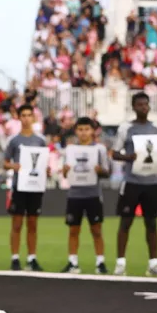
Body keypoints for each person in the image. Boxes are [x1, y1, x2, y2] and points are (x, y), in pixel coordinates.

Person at [110, 92, 157, 276]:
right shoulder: (126, 128)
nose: (144, 107)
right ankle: (120, 264)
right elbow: (114, 153)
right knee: (125, 222)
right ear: (134, 107)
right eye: (140, 105)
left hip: (151, 182)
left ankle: (153, 264)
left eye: (146, 104)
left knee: (151, 223)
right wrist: (129, 157)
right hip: (132, 182)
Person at [61, 117, 110, 274]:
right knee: (73, 230)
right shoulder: (70, 150)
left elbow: (107, 172)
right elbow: (64, 173)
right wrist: (66, 170)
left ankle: (100, 262)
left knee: (96, 230)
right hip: (75, 194)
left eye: (87, 129)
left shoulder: (100, 149)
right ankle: (72, 262)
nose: (83, 133)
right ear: (76, 131)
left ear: (92, 131)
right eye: (80, 129)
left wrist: (100, 170)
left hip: (93, 194)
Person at [3, 104, 49, 271]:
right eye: (24, 115)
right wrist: (13, 166)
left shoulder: (40, 140)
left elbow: (44, 162)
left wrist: (46, 169)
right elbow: (5, 162)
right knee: (16, 223)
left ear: (33, 118)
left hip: (35, 187)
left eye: (30, 115)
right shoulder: (14, 141)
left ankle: (32, 258)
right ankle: (15, 257)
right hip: (19, 186)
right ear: (19, 117)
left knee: (33, 223)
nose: (27, 118)